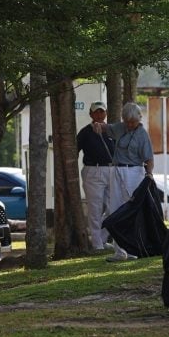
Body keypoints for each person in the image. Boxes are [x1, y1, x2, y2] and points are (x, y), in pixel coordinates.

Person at [95, 102, 154, 262]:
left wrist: (149, 175)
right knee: (115, 209)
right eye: (127, 121)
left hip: (134, 171)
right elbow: (107, 128)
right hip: (117, 170)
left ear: (138, 119)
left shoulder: (142, 135)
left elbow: (149, 158)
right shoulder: (120, 127)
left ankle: (133, 249)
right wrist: (99, 126)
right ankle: (119, 251)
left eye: (132, 122)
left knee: (132, 210)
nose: (129, 125)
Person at [77, 101, 116, 251]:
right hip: (93, 170)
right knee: (95, 208)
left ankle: (102, 237)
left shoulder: (111, 130)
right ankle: (97, 243)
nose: (99, 114)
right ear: (91, 114)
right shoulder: (85, 132)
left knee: (114, 207)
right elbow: (75, 150)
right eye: (96, 112)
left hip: (111, 170)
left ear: (106, 113)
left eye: (102, 111)